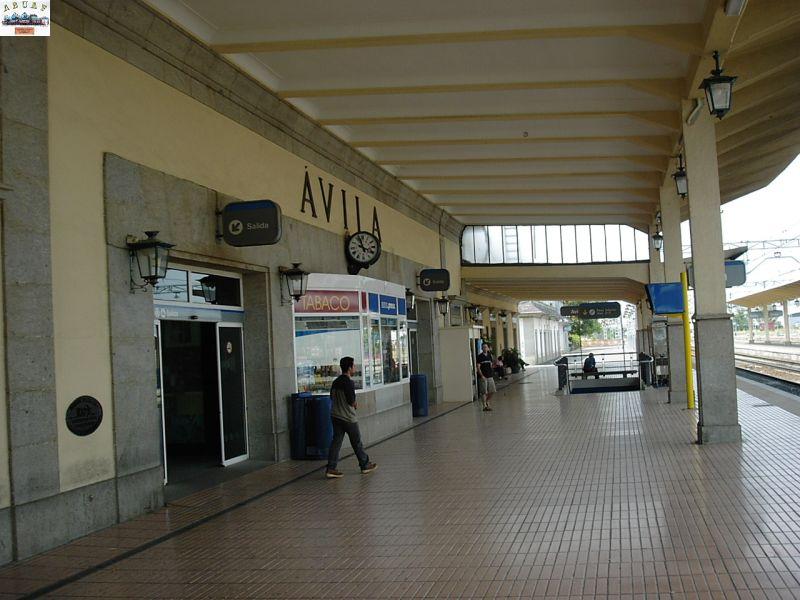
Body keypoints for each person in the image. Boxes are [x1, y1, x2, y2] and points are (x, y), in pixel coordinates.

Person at [325, 357, 377, 478]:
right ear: (349, 368)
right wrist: (355, 404)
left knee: (336, 442)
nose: (354, 368)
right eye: (353, 366)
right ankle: (364, 464)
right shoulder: (348, 382)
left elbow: (332, 397)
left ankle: (331, 468)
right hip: (348, 418)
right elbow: (351, 401)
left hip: (335, 416)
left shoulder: (335, 381)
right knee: (357, 442)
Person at [476, 343, 496, 411]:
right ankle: (484, 406)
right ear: (482, 348)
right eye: (483, 347)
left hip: (490, 376)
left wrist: (492, 370)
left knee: (492, 391)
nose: (485, 348)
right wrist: (482, 376)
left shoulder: (490, 356)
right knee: (484, 392)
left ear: (488, 348)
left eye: (486, 347)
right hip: (483, 377)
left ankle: (487, 401)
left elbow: (491, 365)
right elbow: (478, 367)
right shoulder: (479, 356)